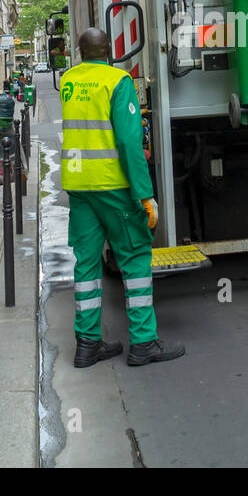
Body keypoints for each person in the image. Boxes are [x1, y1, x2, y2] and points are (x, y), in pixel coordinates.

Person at [62, 28, 184, 367]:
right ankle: (143, 343)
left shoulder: (69, 82)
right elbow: (130, 143)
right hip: (113, 186)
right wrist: (145, 194)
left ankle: (87, 344)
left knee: (86, 264)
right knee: (134, 260)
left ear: (80, 51)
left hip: (79, 184)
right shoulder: (118, 82)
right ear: (110, 51)